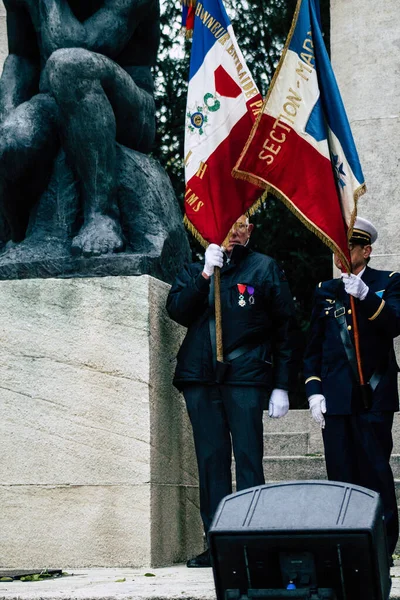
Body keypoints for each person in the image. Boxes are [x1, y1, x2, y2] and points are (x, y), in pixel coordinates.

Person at [166, 215, 294, 567]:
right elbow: (177, 310)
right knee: (211, 463)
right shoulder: (194, 269)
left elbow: (284, 329)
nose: (234, 232)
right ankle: (218, 542)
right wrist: (206, 273)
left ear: (251, 230)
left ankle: (254, 541)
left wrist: (282, 385)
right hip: (200, 377)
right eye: (228, 225)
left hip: (246, 376)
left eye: (242, 225)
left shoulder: (264, 268)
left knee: (250, 460)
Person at [0, 0, 159, 255]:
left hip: (129, 109)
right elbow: (21, 57)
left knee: (69, 66)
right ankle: (18, 235)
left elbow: (73, 46)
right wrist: (6, 116)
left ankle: (102, 215)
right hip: (51, 97)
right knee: (12, 139)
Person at [304, 217, 400, 558]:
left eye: (347, 248)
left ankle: (382, 546)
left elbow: (394, 324)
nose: (339, 255)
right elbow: (314, 347)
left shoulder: (387, 282)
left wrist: (367, 298)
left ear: (366, 250)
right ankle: (345, 546)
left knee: (375, 472)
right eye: (335, 248)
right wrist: (314, 390)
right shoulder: (324, 291)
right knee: (341, 474)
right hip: (337, 398)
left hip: (373, 395)